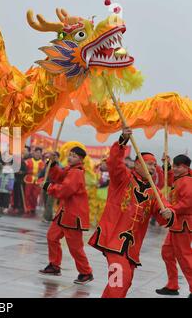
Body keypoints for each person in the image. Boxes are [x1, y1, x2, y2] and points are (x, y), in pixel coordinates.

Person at [88, 127, 175, 298]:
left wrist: (168, 213)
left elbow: (163, 211)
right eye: (149, 163)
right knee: (120, 280)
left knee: (124, 283)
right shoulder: (123, 178)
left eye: (154, 165)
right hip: (113, 240)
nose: (153, 167)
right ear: (137, 164)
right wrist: (122, 141)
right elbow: (114, 163)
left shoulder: (154, 191)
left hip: (132, 247)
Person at [39, 147, 94, 285]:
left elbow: (65, 190)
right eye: (70, 155)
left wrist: (49, 187)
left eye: (74, 156)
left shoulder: (77, 172)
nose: (70, 158)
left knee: (75, 247)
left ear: (81, 159)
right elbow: (59, 176)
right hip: (64, 213)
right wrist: (52, 164)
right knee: (52, 237)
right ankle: (54, 265)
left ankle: (86, 272)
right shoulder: (70, 170)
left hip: (73, 215)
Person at [156, 154, 192, 298]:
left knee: (184, 256)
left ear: (185, 167)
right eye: (175, 166)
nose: (175, 169)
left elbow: (188, 202)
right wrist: (167, 165)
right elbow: (170, 179)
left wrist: (172, 210)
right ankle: (172, 285)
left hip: (183, 224)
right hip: (176, 224)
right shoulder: (180, 178)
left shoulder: (187, 181)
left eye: (177, 166)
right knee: (167, 252)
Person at [23, 147, 44, 217]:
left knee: (35, 195)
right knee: (27, 194)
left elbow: (44, 173)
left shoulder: (42, 163)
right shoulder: (28, 161)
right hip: (29, 179)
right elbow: (24, 170)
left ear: (41, 154)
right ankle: (27, 208)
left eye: (39, 153)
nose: (38, 154)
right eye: (36, 152)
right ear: (34, 152)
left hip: (38, 180)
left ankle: (33, 208)